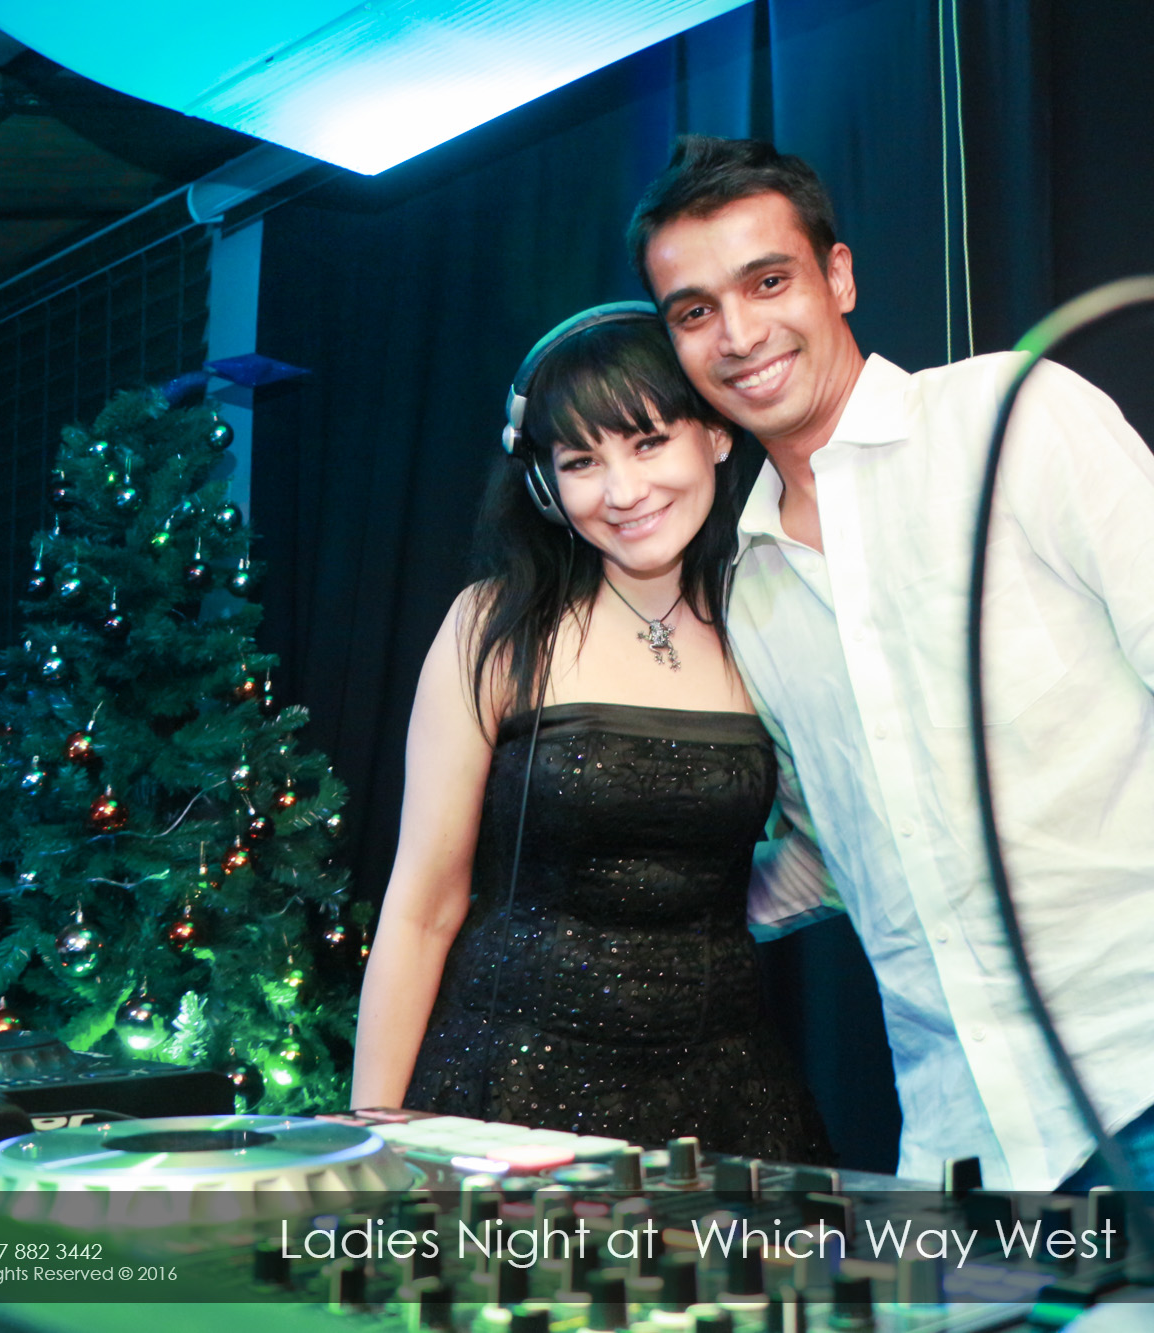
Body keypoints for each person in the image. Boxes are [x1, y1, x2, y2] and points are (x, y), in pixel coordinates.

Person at [627, 137, 1154, 1207]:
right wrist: (629, 894)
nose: (737, 334)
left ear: (838, 276)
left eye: (767, 281)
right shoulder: (745, 588)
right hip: (961, 1160)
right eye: (694, 310)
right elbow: (833, 850)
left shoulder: (1015, 416)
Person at [348, 303, 831, 1162]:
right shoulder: (494, 626)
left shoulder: (769, 621)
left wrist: (693, 921)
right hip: (511, 1091)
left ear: (717, 434)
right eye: (581, 461)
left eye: (649, 442)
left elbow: (837, 841)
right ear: (544, 484)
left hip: (727, 1096)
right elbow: (421, 909)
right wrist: (373, 1133)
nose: (623, 491)